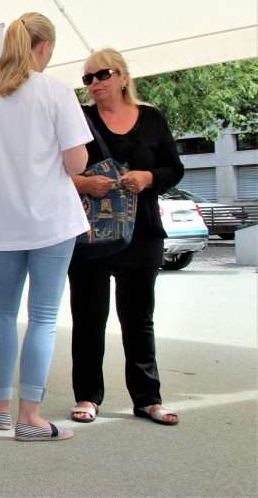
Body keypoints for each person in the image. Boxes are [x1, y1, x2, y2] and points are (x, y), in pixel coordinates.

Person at [0, 12, 91, 442]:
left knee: (2, 312)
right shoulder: (55, 91)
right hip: (52, 220)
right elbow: (77, 163)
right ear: (44, 47)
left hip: (4, 221)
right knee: (43, 317)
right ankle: (31, 416)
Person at [68, 49, 183, 426]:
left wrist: (148, 178)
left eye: (102, 75)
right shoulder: (79, 120)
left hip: (142, 231)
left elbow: (174, 168)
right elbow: (52, 170)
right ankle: (87, 396)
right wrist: (84, 183)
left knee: (139, 319)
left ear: (122, 76)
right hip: (91, 235)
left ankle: (148, 398)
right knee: (88, 318)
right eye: (88, 78)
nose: (95, 83)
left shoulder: (151, 119)